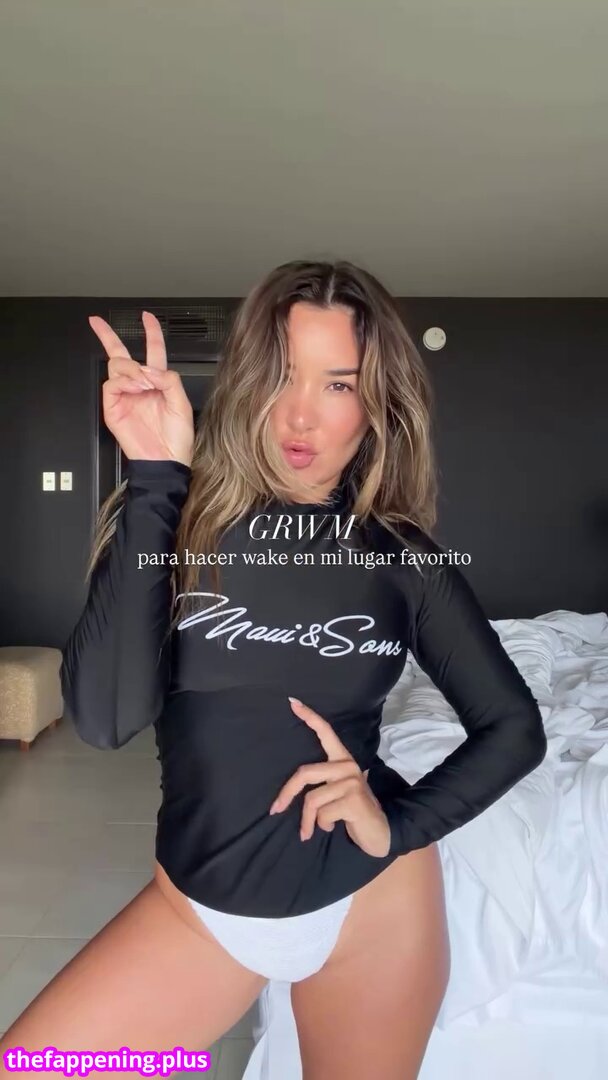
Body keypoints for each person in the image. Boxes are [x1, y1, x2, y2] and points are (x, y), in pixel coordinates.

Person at [0, 260, 547, 1079]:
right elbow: (106, 721)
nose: (299, 413)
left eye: (338, 384)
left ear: (378, 403)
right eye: (284, 374)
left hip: (375, 906)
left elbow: (514, 729)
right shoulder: (175, 522)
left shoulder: (402, 559)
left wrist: (400, 827)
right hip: (201, 915)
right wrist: (154, 478)